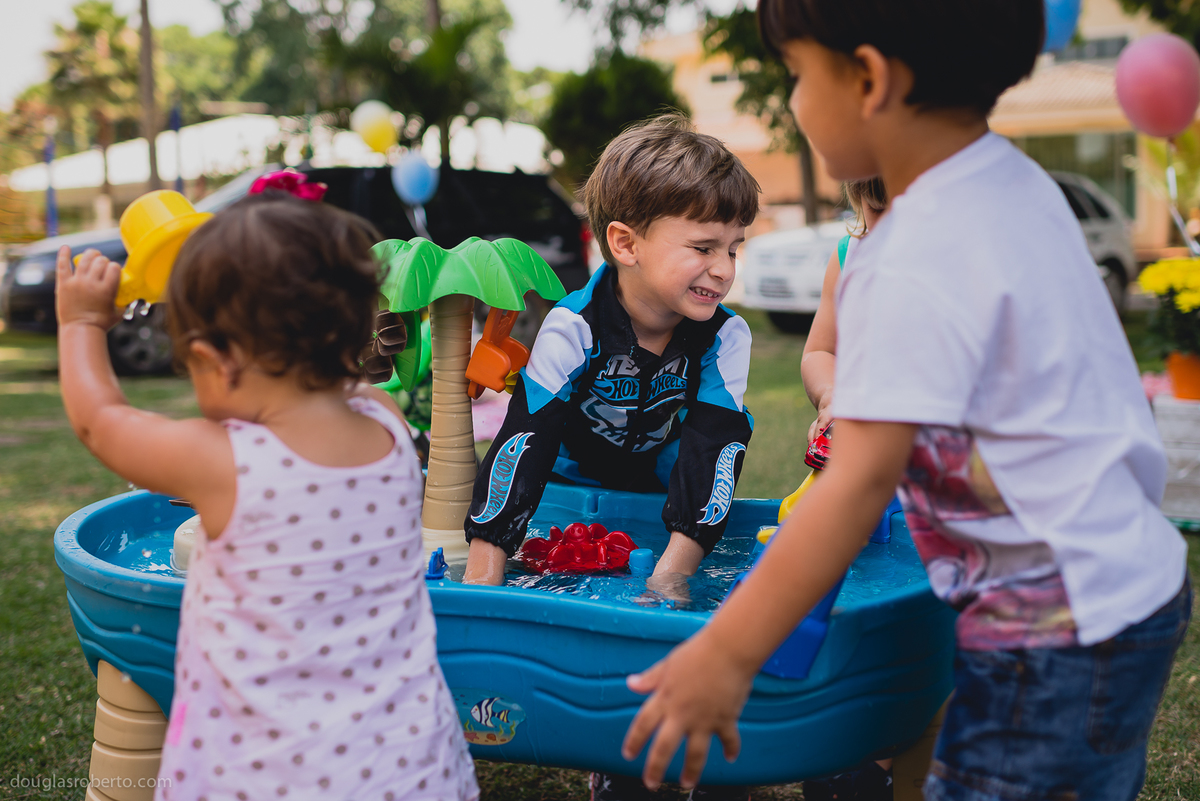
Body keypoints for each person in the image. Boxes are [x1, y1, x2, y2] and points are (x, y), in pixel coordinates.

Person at [621, 3, 1190, 801]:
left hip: (1051, 634)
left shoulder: (907, 258)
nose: (791, 102)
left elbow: (853, 485)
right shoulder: (1015, 184)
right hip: (1131, 591)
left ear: (869, 79)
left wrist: (725, 652)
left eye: (797, 76)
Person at [55, 191, 479, 801]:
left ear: (215, 362)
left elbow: (101, 420)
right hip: (411, 766)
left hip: (273, 777)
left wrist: (80, 325)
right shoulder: (384, 421)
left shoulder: (228, 462)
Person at [461, 114, 759, 801]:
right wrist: (484, 579)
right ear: (625, 242)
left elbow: (716, 453)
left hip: (662, 506)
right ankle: (607, 747)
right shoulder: (574, 326)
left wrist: (674, 578)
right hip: (566, 499)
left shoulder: (726, 336)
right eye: (704, 246)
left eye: (734, 248)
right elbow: (521, 444)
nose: (723, 269)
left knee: (672, 611)